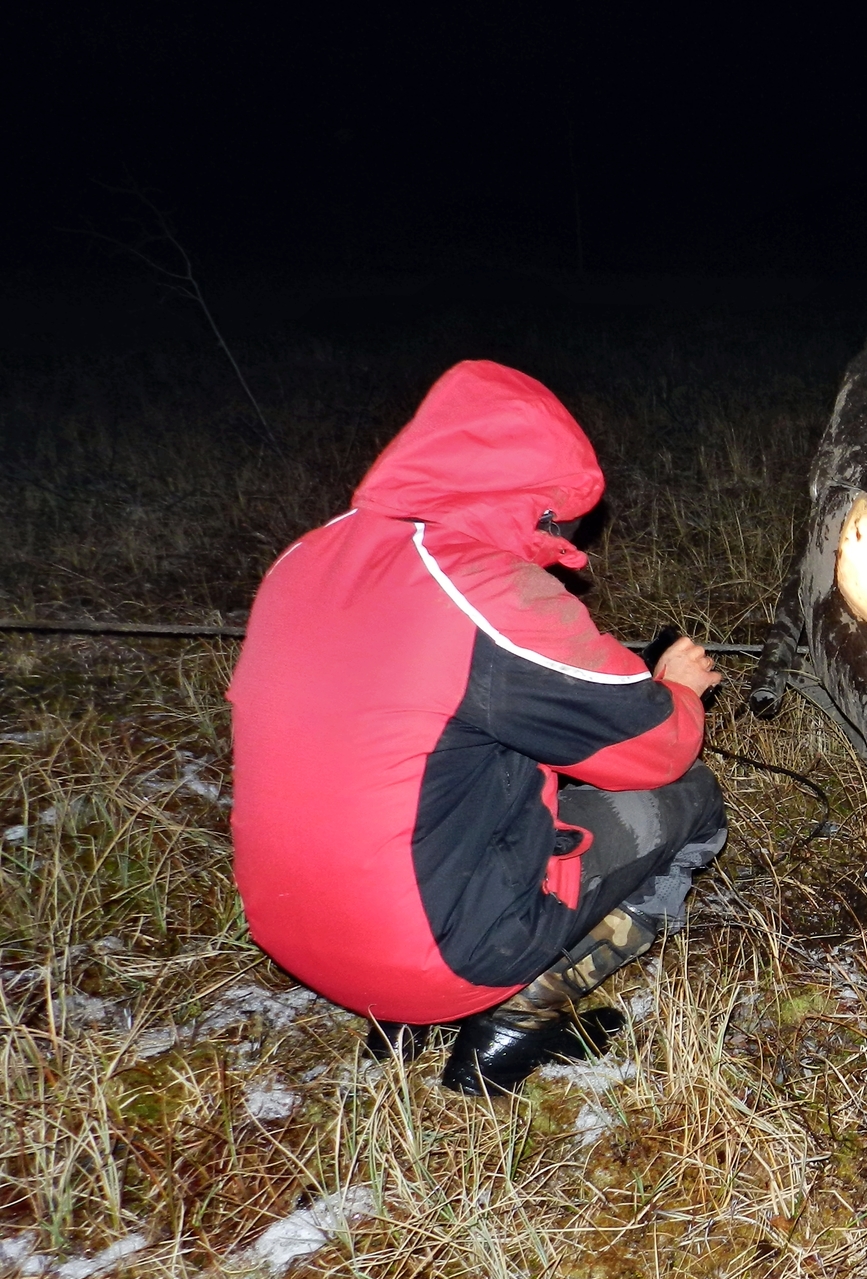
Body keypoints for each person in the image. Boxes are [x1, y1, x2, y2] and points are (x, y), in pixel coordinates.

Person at [228, 360, 727, 1095]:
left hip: (293, 931)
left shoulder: (307, 558)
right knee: (693, 798)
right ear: (544, 502)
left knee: (453, 778)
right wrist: (677, 689)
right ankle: (516, 1020)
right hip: (437, 956)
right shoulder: (489, 589)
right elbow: (653, 750)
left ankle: (401, 1018)